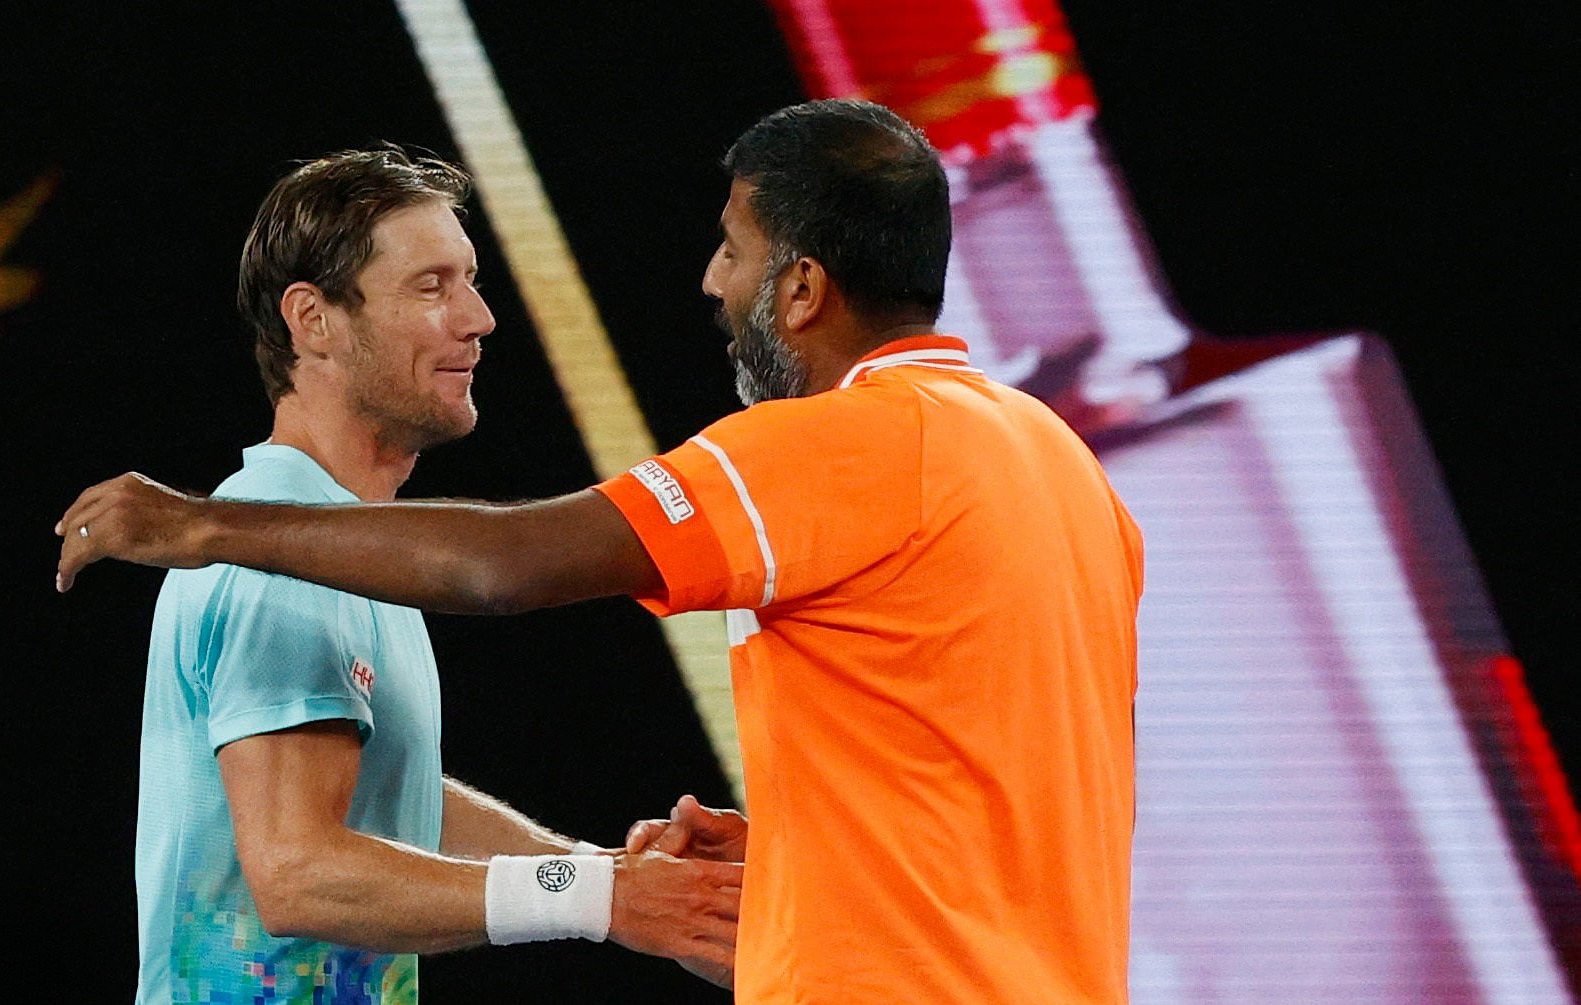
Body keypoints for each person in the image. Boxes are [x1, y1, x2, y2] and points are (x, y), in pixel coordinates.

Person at [60, 101, 1143, 1004]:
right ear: (313, 321)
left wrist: (199, 526)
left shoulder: (838, 443)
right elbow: (990, 787)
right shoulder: (1061, 464)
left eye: (735, 250)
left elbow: (505, 566)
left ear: (803, 289)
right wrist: (627, 881)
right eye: (433, 286)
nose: (713, 283)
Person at [117, 145, 741, 1005]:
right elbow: (297, 872)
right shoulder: (279, 549)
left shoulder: (337, 539)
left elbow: (393, 798)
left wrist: (613, 875)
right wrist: (600, 899)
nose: (479, 317)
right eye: (431, 286)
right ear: (314, 320)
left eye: (471, 279)